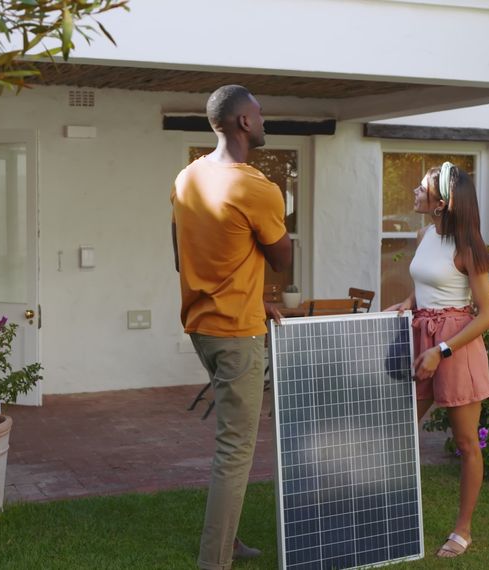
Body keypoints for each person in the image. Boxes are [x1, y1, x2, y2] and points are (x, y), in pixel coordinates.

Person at [171, 84, 292, 570]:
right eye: (259, 114)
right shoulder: (257, 188)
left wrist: (252, 294)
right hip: (238, 334)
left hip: (201, 325)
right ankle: (215, 560)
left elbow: (182, 255)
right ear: (244, 122)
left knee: (230, 443)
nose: (263, 121)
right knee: (235, 449)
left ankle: (229, 538)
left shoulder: (188, 177)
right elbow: (282, 258)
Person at [385, 162, 489, 559]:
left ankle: (462, 530)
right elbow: (426, 281)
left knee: (466, 443)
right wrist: (409, 301)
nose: (415, 191)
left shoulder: (469, 248)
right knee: (397, 430)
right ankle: (387, 515)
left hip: (456, 346)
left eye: (423, 188)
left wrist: (442, 350)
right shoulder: (425, 234)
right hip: (422, 337)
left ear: (442, 203)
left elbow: (487, 314)